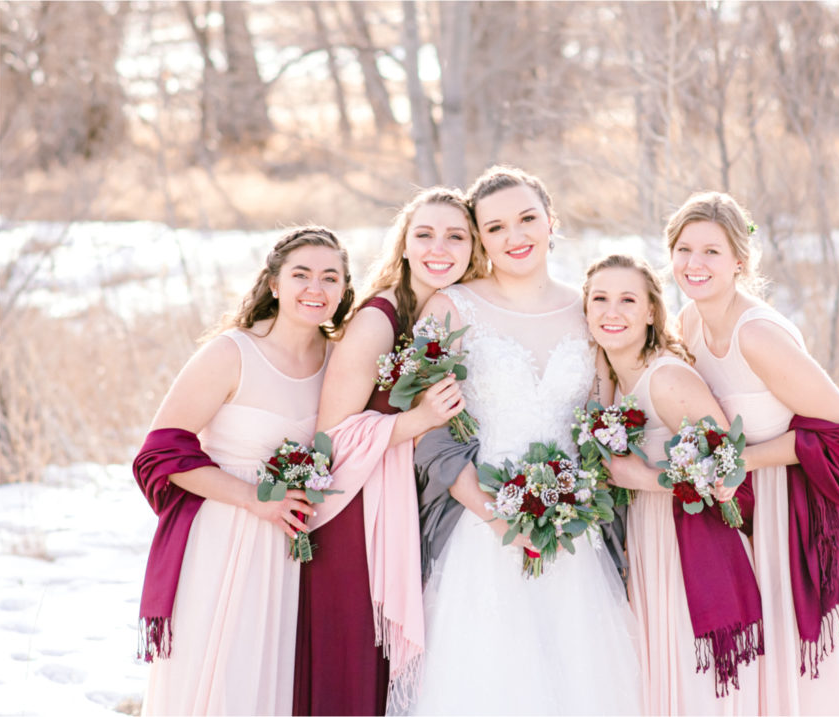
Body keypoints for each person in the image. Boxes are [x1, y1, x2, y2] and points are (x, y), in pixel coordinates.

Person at [666, 191, 839, 715]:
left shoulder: (756, 334)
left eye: (711, 251)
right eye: (684, 249)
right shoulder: (687, 322)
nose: (694, 263)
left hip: (815, 510)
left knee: (824, 679)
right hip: (761, 511)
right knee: (777, 673)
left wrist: (743, 464)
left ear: (740, 260)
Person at [406, 166, 642, 715]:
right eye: (495, 227)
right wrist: (499, 520)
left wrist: (575, 500)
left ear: (551, 220)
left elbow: (600, 422)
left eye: (527, 218)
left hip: (573, 530)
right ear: (480, 239)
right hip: (479, 528)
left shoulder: (589, 308)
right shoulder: (450, 308)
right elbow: (429, 433)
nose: (515, 237)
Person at [133, 227, 355, 715]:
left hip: (295, 551)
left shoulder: (342, 361)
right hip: (223, 537)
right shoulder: (232, 352)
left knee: (272, 688)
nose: (315, 288)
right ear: (274, 283)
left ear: (344, 290)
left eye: (330, 277)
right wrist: (255, 498)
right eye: (301, 274)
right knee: (220, 683)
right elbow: (160, 453)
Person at [293, 187, 487, 716]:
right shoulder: (381, 318)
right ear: (403, 245)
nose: (438, 248)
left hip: (409, 505)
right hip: (355, 514)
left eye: (455, 236)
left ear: (474, 248)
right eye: (423, 234)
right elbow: (331, 441)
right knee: (353, 663)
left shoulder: (457, 313)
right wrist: (419, 420)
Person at [585, 253, 762, 715]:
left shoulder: (666, 379)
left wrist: (643, 477)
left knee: (689, 679)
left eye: (628, 299)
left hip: (688, 544)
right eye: (599, 299)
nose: (612, 311)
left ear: (650, 312)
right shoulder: (614, 377)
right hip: (648, 539)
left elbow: (730, 470)